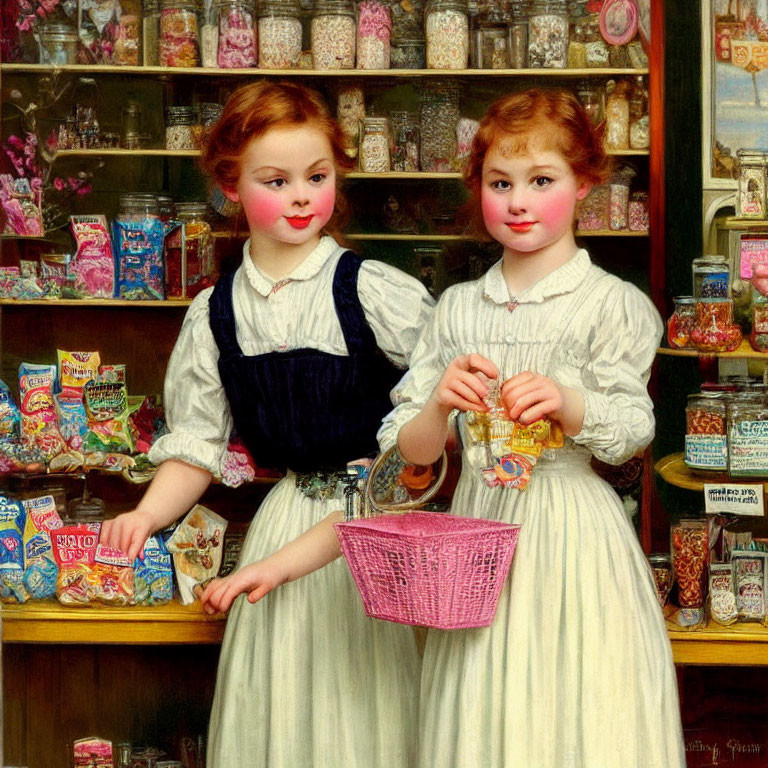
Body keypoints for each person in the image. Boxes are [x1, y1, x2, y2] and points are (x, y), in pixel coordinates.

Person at [100, 80, 433, 768]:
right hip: (282, 527)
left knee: (363, 717)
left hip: (372, 531)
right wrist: (146, 516)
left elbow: (438, 404)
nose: (301, 196)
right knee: (281, 720)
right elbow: (197, 448)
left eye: (317, 176)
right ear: (230, 186)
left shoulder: (373, 290)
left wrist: (407, 464)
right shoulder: (215, 312)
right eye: (275, 181)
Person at [381, 88, 686, 768]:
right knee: (484, 711)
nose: (518, 201)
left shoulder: (611, 305)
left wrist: (567, 401)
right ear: (478, 188)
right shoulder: (456, 308)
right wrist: (436, 407)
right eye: (500, 182)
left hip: (572, 533)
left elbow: (633, 427)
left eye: (541, 180)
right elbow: (412, 454)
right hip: (477, 535)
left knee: (575, 707)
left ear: (584, 184)